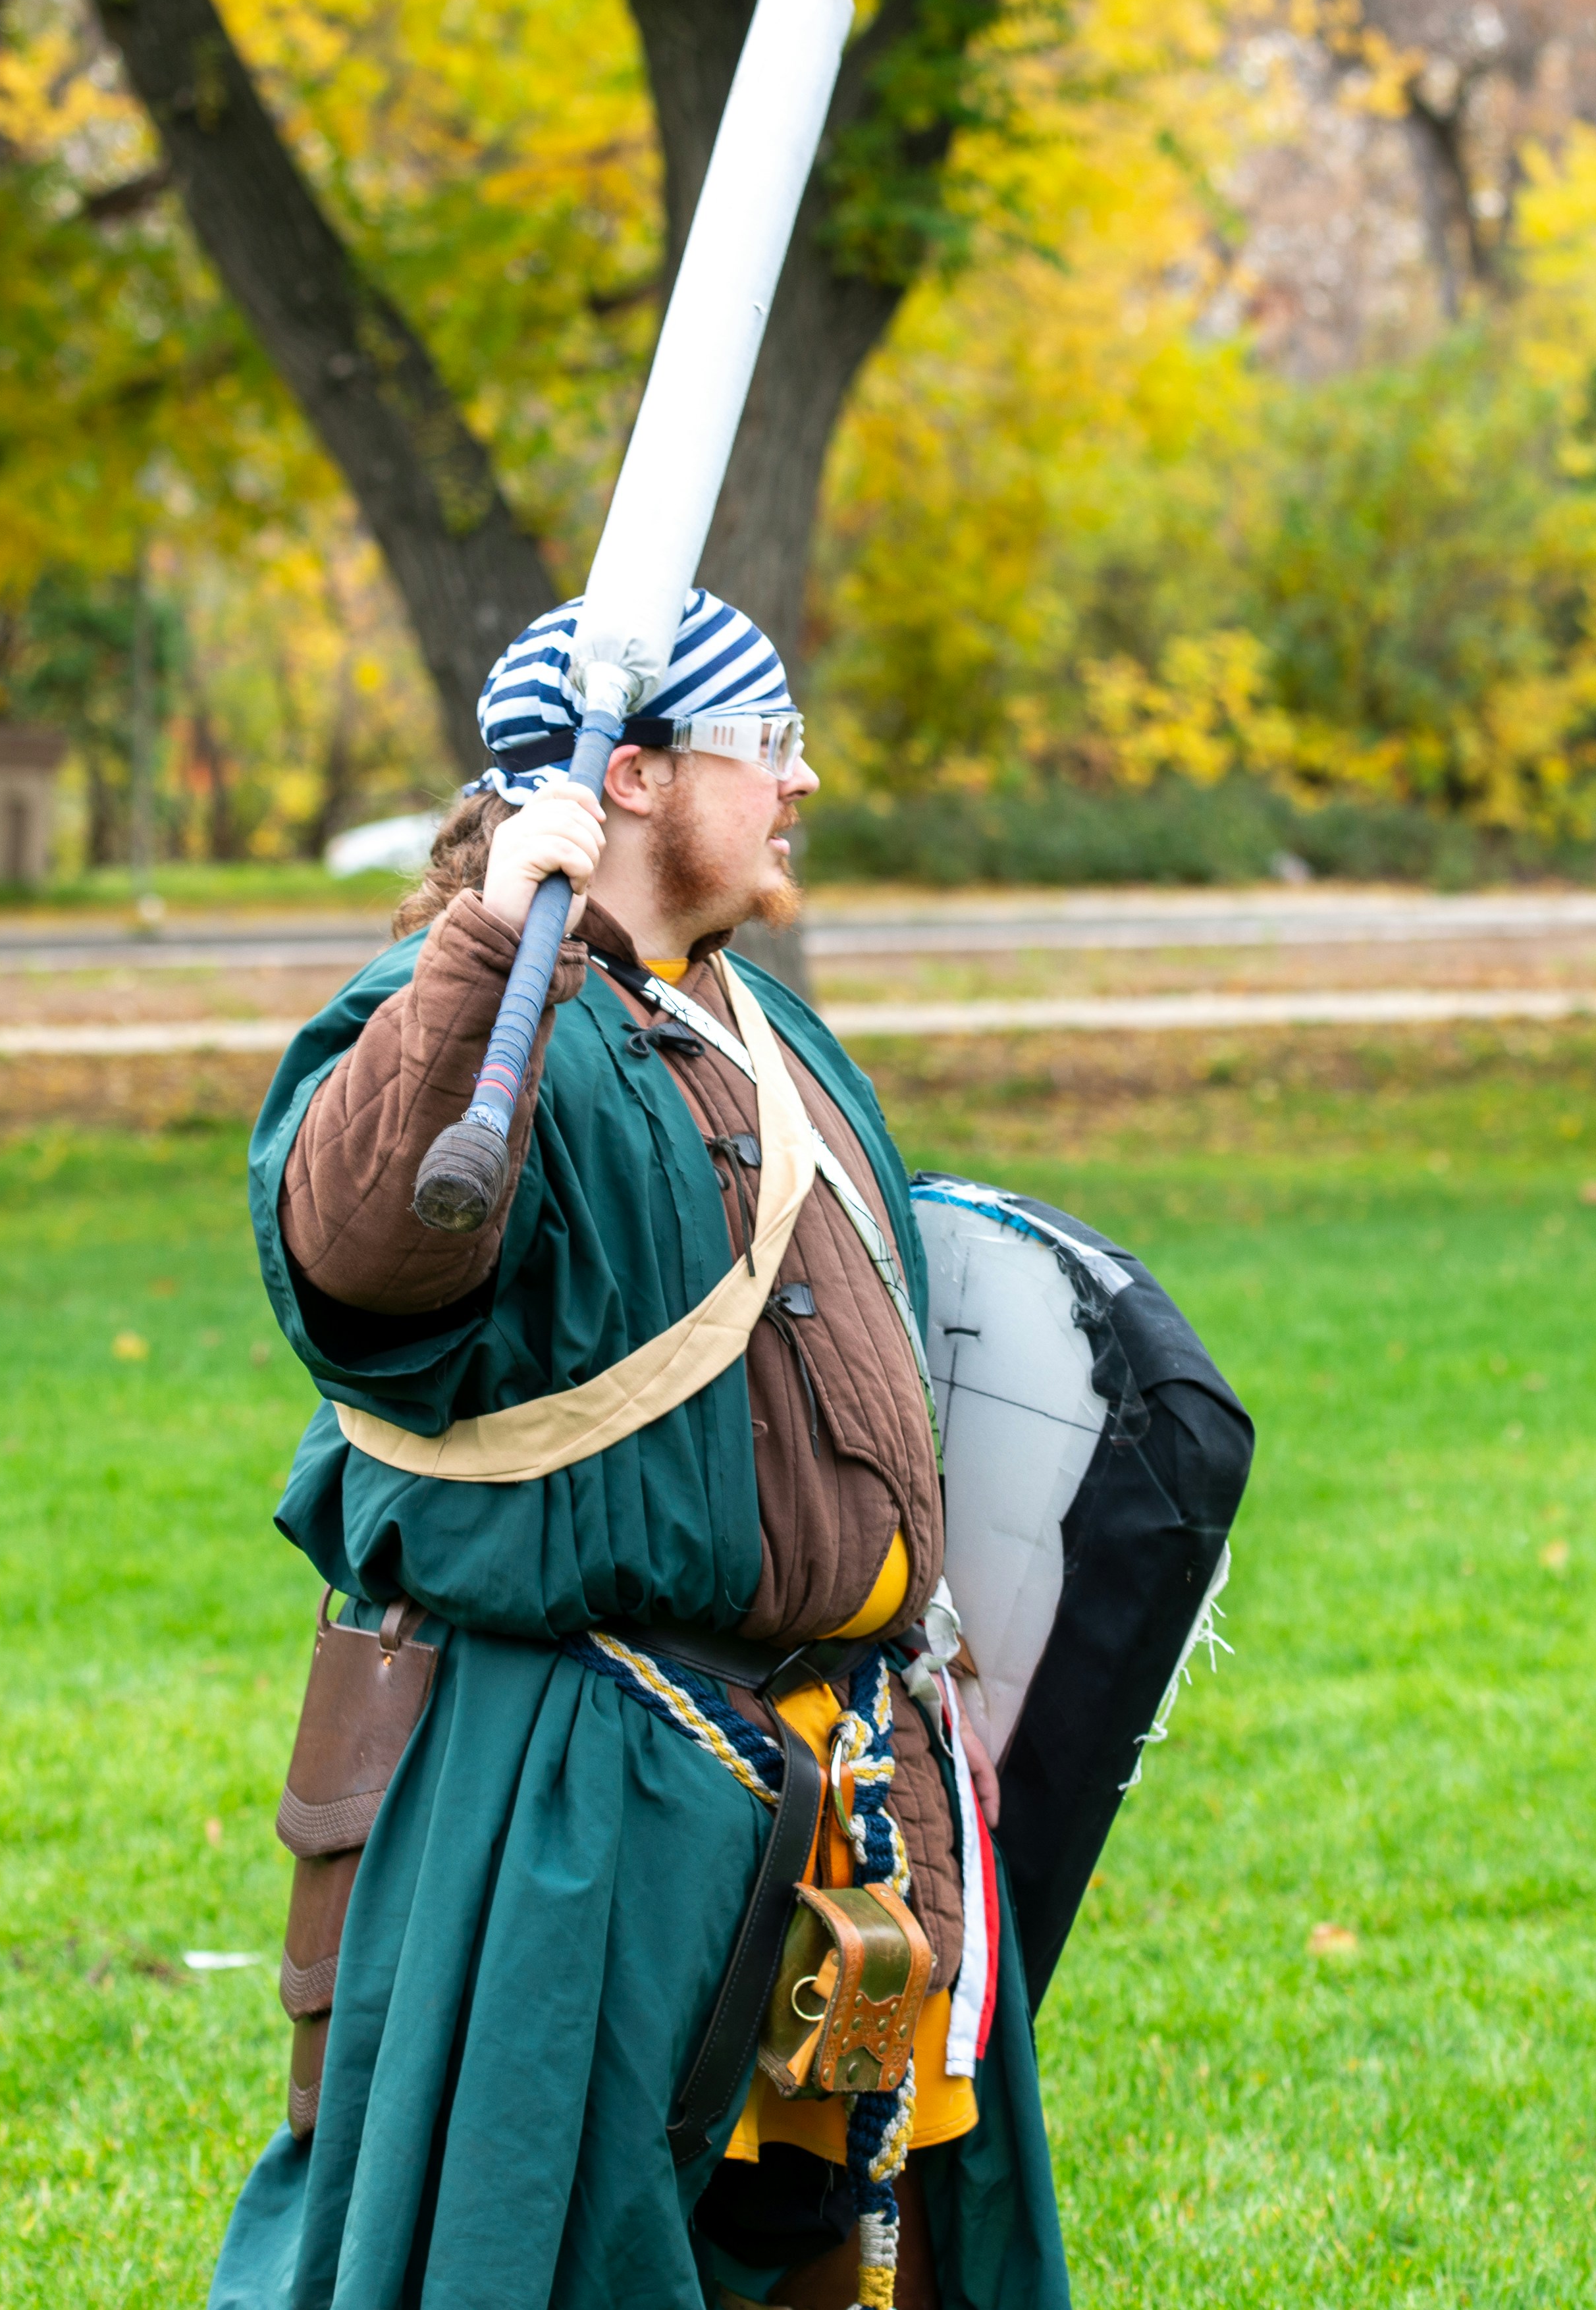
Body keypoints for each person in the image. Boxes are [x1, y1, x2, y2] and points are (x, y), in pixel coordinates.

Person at [215, 593, 1066, 2310]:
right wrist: (486, 935)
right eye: (771, 747)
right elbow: (358, 1248)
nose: (804, 780)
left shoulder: (757, 1021)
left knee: (840, 2266)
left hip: (835, 1775)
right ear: (639, 773)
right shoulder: (463, 1026)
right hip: (587, 1789)